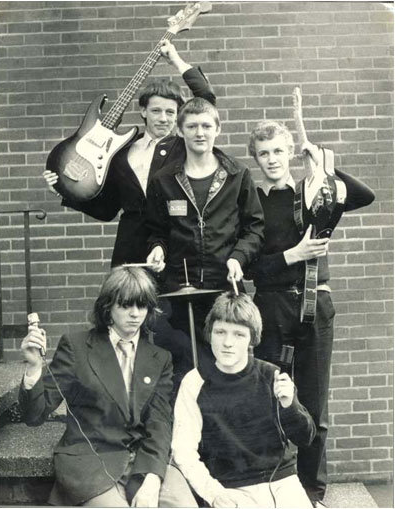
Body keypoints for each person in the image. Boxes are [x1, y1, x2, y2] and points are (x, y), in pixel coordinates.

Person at [247, 119, 375, 507]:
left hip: (314, 305)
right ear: (255, 158)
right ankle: (274, 484)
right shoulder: (250, 200)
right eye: (264, 153)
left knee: (313, 403)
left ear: (290, 154)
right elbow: (251, 268)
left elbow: (364, 195)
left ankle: (312, 492)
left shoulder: (311, 192)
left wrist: (322, 163)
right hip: (269, 305)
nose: (272, 159)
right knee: (270, 395)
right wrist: (293, 256)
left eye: (279, 151)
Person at [19, 266, 194, 507]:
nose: (135, 314)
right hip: (91, 464)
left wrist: (153, 481)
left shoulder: (159, 358)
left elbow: (159, 424)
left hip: (145, 462)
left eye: (141, 305)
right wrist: (34, 367)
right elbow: (34, 414)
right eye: (126, 305)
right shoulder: (77, 347)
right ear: (108, 307)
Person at [43, 41, 216, 267]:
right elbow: (107, 209)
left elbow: (206, 99)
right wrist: (62, 189)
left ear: (178, 115)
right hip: (130, 247)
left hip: (176, 245)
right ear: (143, 111)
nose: (163, 119)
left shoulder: (185, 147)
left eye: (170, 112)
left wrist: (175, 59)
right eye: (156, 111)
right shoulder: (121, 151)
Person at [145, 97, 264, 384]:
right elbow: (154, 230)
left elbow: (255, 228)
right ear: (181, 130)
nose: (200, 132)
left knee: (226, 370)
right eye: (193, 126)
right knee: (182, 373)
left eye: (206, 126)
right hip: (176, 294)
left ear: (217, 129)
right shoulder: (163, 180)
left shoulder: (237, 175)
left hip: (223, 290)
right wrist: (157, 249)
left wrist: (238, 257)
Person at [171, 292, 315, 508]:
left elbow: (306, 437)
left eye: (238, 334)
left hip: (282, 482)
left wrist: (289, 405)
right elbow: (183, 451)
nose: (227, 342)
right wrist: (214, 493)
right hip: (230, 487)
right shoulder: (195, 382)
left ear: (251, 339)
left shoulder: (271, 375)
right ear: (210, 334)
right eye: (220, 332)